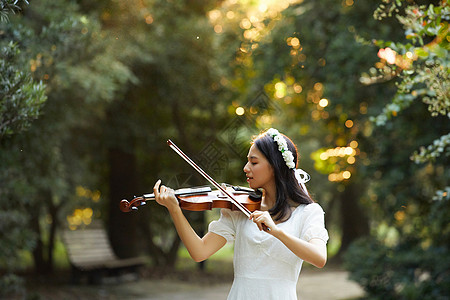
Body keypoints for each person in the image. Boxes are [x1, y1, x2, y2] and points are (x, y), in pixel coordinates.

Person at [153, 128, 329, 300]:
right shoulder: (238, 209)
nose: (246, 168)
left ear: (275, 166)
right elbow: (199, 252)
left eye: (254, 162)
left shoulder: (308, 212)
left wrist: (276, 231)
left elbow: (319, 258)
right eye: (247, 162)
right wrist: (175, 210)